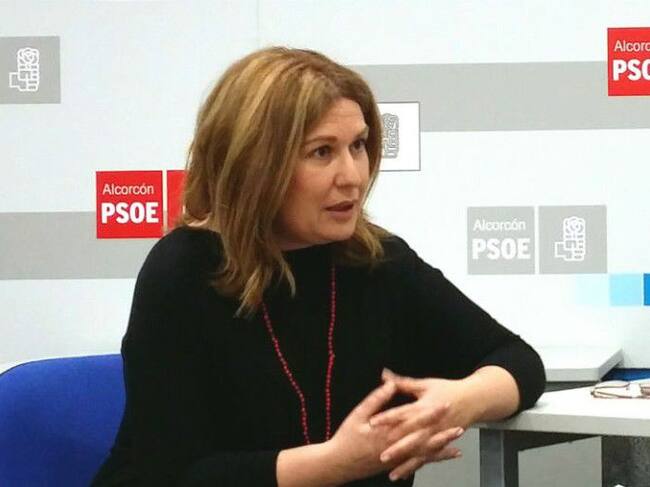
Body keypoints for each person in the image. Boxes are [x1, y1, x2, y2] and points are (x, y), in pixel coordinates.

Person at [91, 47, 545, 487]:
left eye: (358, 146)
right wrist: (335, 464)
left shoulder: (377, 261)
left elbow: (517, 361)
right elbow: (172, 475)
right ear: (256, 164)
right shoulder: (183, 272)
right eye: (322, 152)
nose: (353, 176)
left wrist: (456, 402)